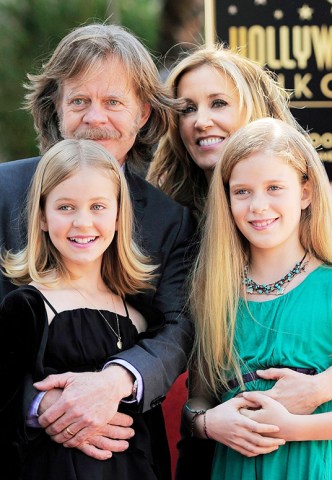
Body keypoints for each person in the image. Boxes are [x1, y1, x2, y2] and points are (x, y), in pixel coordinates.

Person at [147, 45, 332, 478]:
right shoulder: (166, 214)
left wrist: (318, 389)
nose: (201, 120)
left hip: (304, 436)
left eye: (218, 103)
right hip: (217, 443)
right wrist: (205, 422)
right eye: (186, 108)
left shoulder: (309, 213)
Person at [0, 23, 195, 478]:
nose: (95, 117)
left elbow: (179, 326)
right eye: (80, 101)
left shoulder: (170, 221)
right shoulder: (4, 191)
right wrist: (39, 402)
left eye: (113, 102)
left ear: (143, 113)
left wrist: (116, 380)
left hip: (125, 448)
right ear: (57, 108)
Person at [185, 117, 332, 480]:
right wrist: (208, 424)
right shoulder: (213, 292)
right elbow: (198, 400)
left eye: (274, 187)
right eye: (242, 191)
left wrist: (294, 428)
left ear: (305, 192)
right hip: (233, 467)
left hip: (315, 467)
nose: (258, 205)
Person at [0, 138, 170, 479]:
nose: (82, 222)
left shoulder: (138, 314)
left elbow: (154, 436)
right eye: (65, 207)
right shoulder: (28, 307)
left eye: (98, 207)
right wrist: (45, 412)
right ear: (43, 217)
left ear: (120, 215)